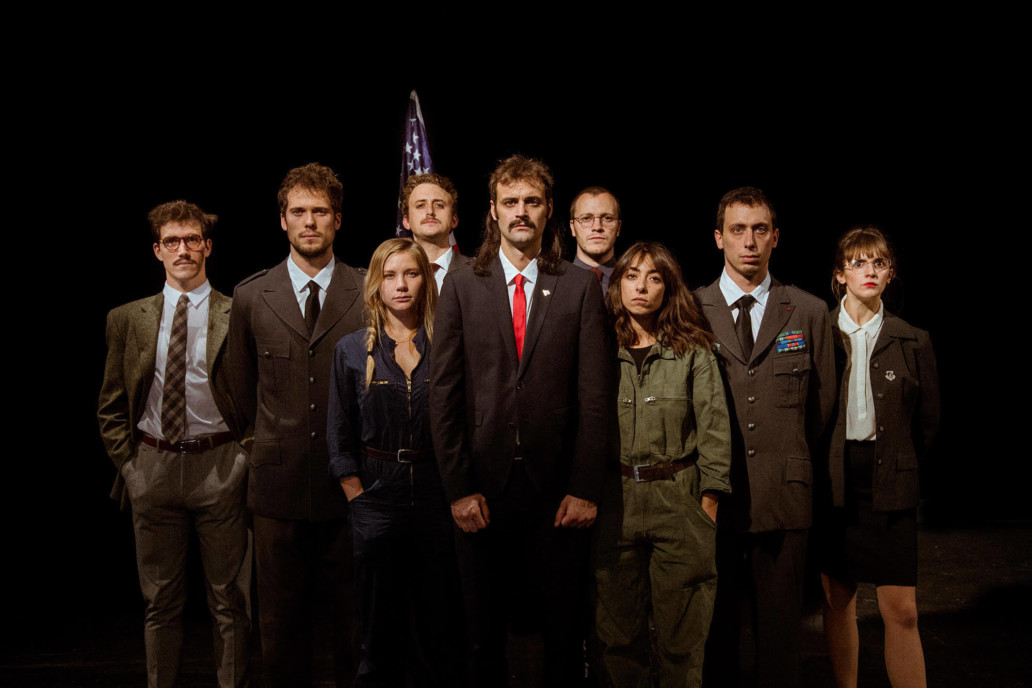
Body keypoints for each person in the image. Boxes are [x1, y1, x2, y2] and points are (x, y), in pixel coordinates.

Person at [430, 154, 611, 687]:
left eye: (532, 201)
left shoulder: (578, 286)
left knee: (562, 639)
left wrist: (585, 488)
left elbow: (594, 398)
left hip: (558, 497)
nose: (521, 212)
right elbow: (444, 395)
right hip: (481, 494)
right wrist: (458, 489)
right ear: (493, 210)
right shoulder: (461, 285)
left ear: (549, 209)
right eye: (510, 202)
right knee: (483, 641)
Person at [98, 200, 250, 688]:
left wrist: (243, 460)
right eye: (172, 241)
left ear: (207, 246)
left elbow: (259, 395)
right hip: (153, 468)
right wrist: (131, 468)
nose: (182, 250)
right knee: (160, 602)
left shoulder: (239, 312)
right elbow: (111, 403)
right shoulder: (127, 318)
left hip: (220, 466)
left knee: (230, 600)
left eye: (191, 240)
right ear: (157, 250)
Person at [226, 163, 365, 687]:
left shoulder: (366, 289)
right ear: (282, 220)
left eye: (321, 212)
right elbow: (239, 388)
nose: (310, 222)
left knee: (354, 628)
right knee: (282, 634)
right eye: (299, 212)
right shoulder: (251, 295)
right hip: (277, 491)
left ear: (337, 220)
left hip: (351, 489)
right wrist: (264, 445)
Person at [694, 187, 835, 688]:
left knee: (780, 642)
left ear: (776, 237)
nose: (749, 241)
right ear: (719, 238)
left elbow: (821, 407)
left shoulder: (808, 311)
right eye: (737, 230)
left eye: (759, 229)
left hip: (783, 498)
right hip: (712, 501)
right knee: (716, 639)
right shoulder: (691, 309)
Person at [327, 238, 465, 687]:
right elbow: (339, 434)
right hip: (376, 497)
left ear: (426, 280)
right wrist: (357, 498)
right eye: (390, 275)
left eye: (411, 273)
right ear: (376, 284)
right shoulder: (351, 350)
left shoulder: (449, 345)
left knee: (439, 629)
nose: (401, 284)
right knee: (377, 633)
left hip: (437, 495)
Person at [593, 242, 732, 688]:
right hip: (614, 504)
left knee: (682, 641)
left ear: (668, 288)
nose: (642, 287)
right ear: (618, 285)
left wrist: (708, 505)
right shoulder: (598, 347)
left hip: (679, 500)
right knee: (619, 640)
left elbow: (714, 429)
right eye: (632, 276)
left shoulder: (694, 350)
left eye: (654, 278)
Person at [818, 227, 939, 688]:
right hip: (836, 483)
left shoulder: (913, 340)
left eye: (879, 263)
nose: (869, 271)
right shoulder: (821, 333)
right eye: (858, 262)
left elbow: (928, 422)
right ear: (840, 274)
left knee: (902, 610)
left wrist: (901, 462)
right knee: (838, 599)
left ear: (891, 274)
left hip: (890, 484)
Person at [401, 172, 468, 294]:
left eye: (439, 205)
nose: (430, 212)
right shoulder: (387, 275)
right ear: (406, 221)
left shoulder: (478, 273)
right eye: (420, 205)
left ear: (454, 220)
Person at [569, 186, 622, 292]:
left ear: (618, 228)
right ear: (573, 228)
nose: (597, 227)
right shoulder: (553, 283)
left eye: (607, 218)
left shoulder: (634, 284)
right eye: (586, 218)